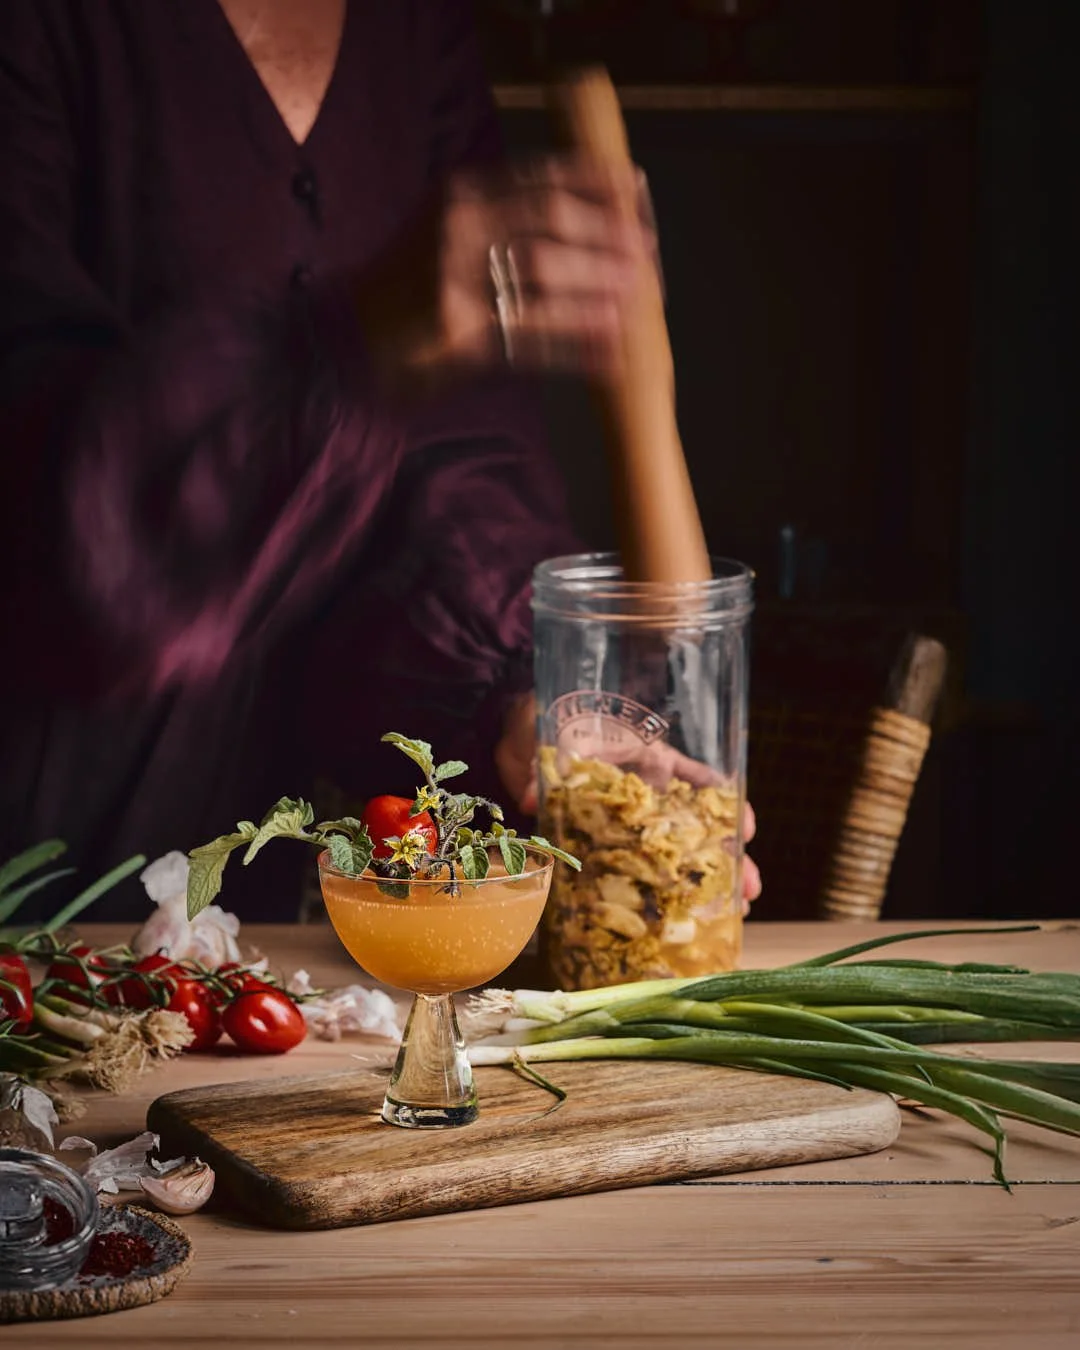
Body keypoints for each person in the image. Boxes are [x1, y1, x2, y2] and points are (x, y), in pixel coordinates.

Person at [0, 0, 760, 920]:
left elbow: (447, 466)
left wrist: (520, 700)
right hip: (33, 890)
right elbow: (47, 528)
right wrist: (356, 347)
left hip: (244, 939)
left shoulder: (417, 31)